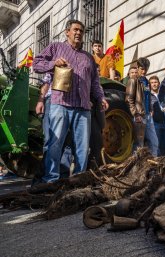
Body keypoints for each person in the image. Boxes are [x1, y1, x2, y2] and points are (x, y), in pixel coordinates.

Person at [33, 19, 109, 183]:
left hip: (83, 108)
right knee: (55, 143)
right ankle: (51, 179)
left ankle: (78, 180)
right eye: (75, 30)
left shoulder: (89, 57)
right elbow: (36, 64)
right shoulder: (56, 47)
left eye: (81, 31)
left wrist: (101, 97)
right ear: (67, 32)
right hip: (60, 104)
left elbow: (95, 82)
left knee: (82, 147)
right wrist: (54, 63)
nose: (78, 33)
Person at [125, 57, 158, 156]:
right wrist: (135, 114)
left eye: (146, 69)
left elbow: (148, 97)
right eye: (142, 69)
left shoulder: (146, 81)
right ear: (138, 68)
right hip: (139, 116)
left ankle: (153, 165)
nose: (144, 71)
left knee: (154, 142)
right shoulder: (133, 81)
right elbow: (128, 99)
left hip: (148, 115)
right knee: (138, 145)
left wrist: (151, 109)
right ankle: (135, 168)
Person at [149, 75, 165, 156]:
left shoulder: (163, 94)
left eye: (155, 82)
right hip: (155, 123)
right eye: (152, 83)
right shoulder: (148, 96)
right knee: (157, 146)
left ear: (159, 83)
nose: (154, 84)